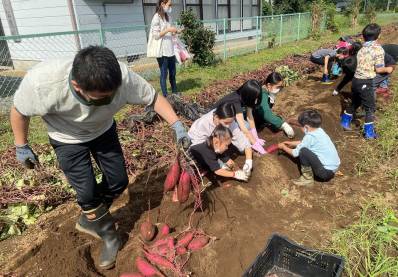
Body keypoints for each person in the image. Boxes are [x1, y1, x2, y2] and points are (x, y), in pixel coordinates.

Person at [10, 46, 190, 269]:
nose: (111, 99)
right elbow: (19, 112)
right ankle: (109, 235)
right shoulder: (43, 84)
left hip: (103, 131)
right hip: (66, 138)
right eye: (102, 98)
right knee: (87, 192)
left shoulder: (123, 78)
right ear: (77, 86)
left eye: (112, 94)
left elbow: (154, 99)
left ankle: (91, 217)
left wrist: (177, 125)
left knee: (119, 181)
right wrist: (22, 145)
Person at [340, 24, 393, 139]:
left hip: (356, 81)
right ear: (379, 35)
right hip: (366, 82)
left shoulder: (362, 49)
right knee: (370, 108)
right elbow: (379, 69)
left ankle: (344, 122)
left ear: (363, 37)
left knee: (356, 102)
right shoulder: (378, 49)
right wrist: (388, 69)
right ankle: (369, 133)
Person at [278, 109, 340, 187]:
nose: (300, 128)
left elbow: (295, 153)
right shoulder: (319, 131)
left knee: (303, 151)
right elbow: (306, 143)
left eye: (301, 126)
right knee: (305, 149)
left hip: (324, 173)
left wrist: (283, 147)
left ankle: (307, 179)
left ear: (306, 127)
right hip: (333, 169)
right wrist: (291, 143)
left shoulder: (309, 137)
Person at [188, 103, 253, 177]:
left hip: (216, 145)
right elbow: (203, 151)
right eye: (226, 123)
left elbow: (243, 141)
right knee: (209, 160)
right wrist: (219, 164)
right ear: (216, 117)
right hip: (200, 144)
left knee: (227, 152)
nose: (228, 126)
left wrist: (248, 161)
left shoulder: (229, 121)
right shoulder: (202, 126)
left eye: (230, 123)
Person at [213, 80, 266, 154]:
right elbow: (243, 127)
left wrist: (255, 137)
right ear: (249, 95)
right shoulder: (236, 101)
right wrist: (255, 144)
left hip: (230, 117)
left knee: (248, 126)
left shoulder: (246, 98)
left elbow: (250, 117)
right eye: (255, 98)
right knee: (245, 128)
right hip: (218, 119)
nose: (256, 100)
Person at [150, 0, 181, 97]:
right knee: (164, 74)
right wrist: (168, 29)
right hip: (162, 51)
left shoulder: (168, 17)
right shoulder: (156, 18)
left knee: (173, 73)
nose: (170, 7)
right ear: (163, 4)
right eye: (169, 5)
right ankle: (165, 95)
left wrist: (176, 31)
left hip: (170, 49)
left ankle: (175, 92)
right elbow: (156, 36)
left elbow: (170, 32)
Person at [253, 72, 295, 138]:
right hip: (250, 121)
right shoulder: (262, 94)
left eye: (280, 87)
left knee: (277, 119)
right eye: (278, 87)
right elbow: (266, 113)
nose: (279, 89)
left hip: (257, 118)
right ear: (269, 85)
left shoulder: (268, 92)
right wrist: (284, 125)